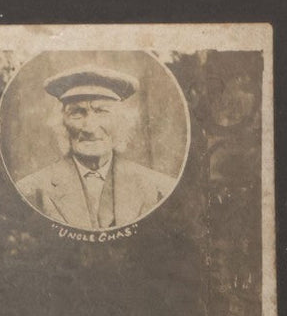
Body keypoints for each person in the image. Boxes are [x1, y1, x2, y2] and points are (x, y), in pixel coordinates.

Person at [15, 66, 179, 231]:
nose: (90, 128)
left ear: (121, 121)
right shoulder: (31, 191)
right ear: (61, 123)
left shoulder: (160, 189)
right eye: (77, 113)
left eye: (102, 112)